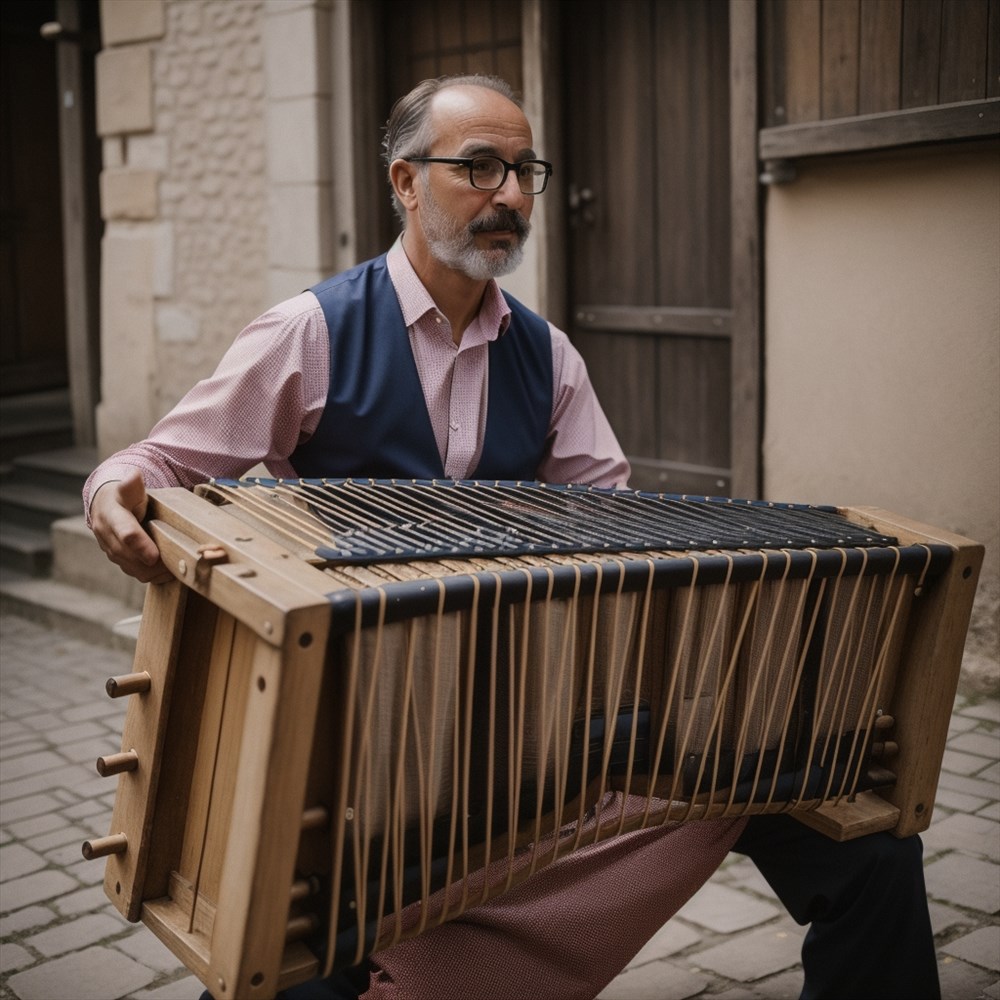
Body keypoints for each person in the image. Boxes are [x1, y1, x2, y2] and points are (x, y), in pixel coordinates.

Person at [86, 75, 940, 1000]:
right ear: (405, 183)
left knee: (869, 838)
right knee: (294, 965)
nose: (513, 197)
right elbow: (163, 462)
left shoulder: (549, 356)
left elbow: (614, 535)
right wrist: (112, 489)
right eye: (480, 168)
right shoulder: (312, 331)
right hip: (357, 743)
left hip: (524, 725)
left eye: (524, 171)